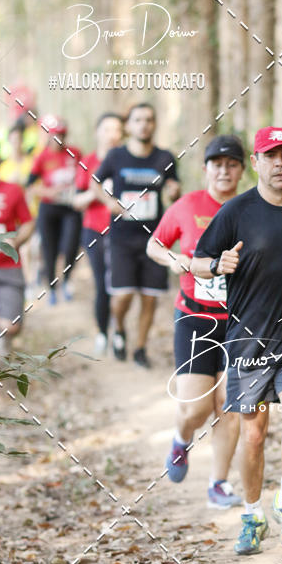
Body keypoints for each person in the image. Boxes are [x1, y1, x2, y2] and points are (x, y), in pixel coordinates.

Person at [191, 126, 282, 555]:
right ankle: (252, 516)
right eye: (271, 156)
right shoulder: (236, 211)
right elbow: (197, 262)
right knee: (253, 435)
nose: (280, 163)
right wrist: (219, 264)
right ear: (256, 162)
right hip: (249, 340)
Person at [147, 135, 246, 509]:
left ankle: (218, 485)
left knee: (230, 406)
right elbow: (153, 244)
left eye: (231, 164)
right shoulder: (186, 206)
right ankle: (181, 437)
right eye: (216, 164)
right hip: (194, 317)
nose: (224, 170)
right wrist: (172, 258)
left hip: (239, 322)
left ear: (241, 169)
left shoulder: (250, 209)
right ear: (205, 169)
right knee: (197, 407)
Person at [93, 103, 180, 368]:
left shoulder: (165, 157)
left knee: (150, 297)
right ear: (129, 126)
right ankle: (118, 328)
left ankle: (140, 348)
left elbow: (173, 187)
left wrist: (174, 191)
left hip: (155, 238)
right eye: (138, 120)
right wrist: (109, 202)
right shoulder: (116, 156)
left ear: (154, 125)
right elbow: (95, 182)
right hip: (121, 236)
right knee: (123, 296)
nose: (144, 124)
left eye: (149, 120)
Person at [0, 135, 35, 367]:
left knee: (11, 327)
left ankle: (5, 335)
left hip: (9, 267)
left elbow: (29, 223)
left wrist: (17, 241)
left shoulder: (13, 191)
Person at [73, 113, 124, 356]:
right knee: (102, 284)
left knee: (120, 286)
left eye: (117, 129)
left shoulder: (127, 159)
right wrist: (98, 190)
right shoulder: (87, 162)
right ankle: (103, 333)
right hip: (94, 230)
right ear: (97, 132)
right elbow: (77, 201)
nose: (112, 135)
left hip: (123, 231)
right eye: (107, 129)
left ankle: (120, 331)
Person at [26, 115, 82, 305]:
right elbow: (30, 185)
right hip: (49, 208)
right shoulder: (42, 156)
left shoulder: (75, 153)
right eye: (55, 136)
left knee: (70, 247)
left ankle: (66, 281)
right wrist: (49, 191)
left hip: (71, 208)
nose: (59, 140)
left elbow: (85, 177)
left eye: (62, 135)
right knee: (49, 250)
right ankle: (51, 287)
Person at [0, 122, 40, 291]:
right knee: (23, 250)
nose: (16, 143)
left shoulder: (32, 163)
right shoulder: (3, 167)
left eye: (19, 139)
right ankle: (27, 283)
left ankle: (33, 279)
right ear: (9, 141)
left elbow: (39, 185)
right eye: (13, 139)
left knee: (34, 249)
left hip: (33, 212)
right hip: (12, 217)